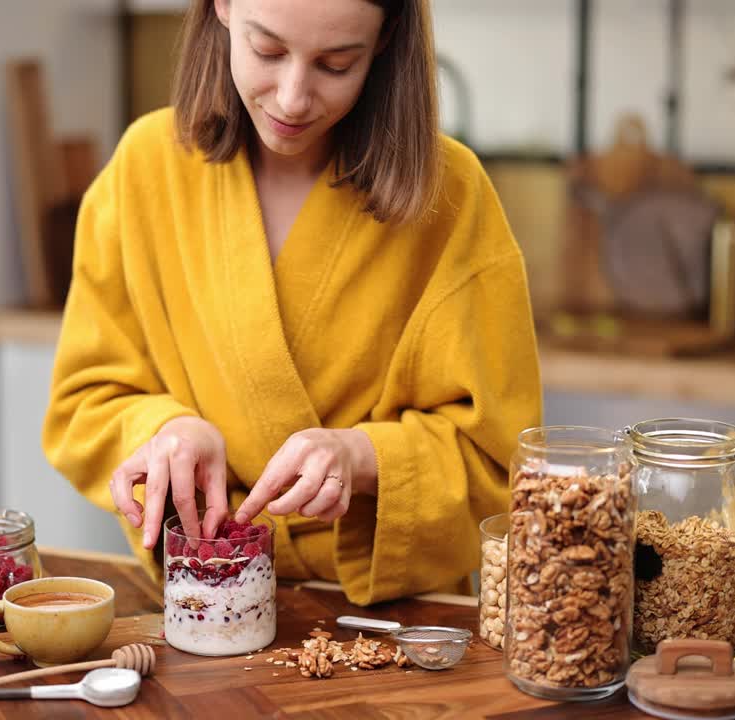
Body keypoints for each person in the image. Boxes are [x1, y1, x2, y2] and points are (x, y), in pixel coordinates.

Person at [42, 0, 541, 606]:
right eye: (268, 51)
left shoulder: (452, 195)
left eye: (335, 64)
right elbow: (85, 400)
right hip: (205, 599)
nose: (292, 97)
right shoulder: (143, 169)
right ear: (221, 8)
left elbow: (501, 463)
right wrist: (165, 430)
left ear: (385, 41)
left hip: (405, 622)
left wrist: (361, 457)